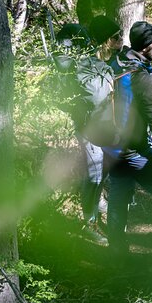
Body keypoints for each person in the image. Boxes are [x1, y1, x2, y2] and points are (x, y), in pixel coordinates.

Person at [103, 21, 152, 262]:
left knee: (118, 195)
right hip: (133, 149)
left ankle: (116, 251)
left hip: (111, 145)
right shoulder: (142, 79)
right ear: (146, 46)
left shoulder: (117, 62)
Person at [53, 23, 108, 245]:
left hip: (100, 124)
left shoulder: (87, 62)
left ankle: (99, 202)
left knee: (101, 169)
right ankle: (90, 223)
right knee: (94, 172)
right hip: (86, 126)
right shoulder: (68, 64)